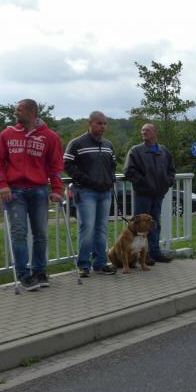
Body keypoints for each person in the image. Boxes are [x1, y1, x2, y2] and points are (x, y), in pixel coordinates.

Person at [0, 99, 64, 291]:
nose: (15, 113)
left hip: (39, 190)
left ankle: (40, 271)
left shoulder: (50, 137)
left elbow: (56, 166)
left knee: (41, 233)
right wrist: (2, 184)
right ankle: (24, 275)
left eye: (19, 110)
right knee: (19, 233)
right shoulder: (6, 134)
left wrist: (57, 190)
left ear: (32, 112)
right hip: (14, 191)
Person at [64, 111, 117, 277]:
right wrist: (85, 180)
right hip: (85, 192)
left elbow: (113, 164)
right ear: (90, 123)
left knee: (102, 229)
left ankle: (100, 263)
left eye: (105, 123)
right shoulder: (77, 143)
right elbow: (67, 164)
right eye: (99, 123)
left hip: (105, 192)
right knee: (87, 228)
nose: (103, 126)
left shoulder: (108, 144)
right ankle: (83, 265)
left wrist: (110, 179)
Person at [123, 122, 176, 265]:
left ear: (155, 132)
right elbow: (128, 170)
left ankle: (155, 252)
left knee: (154, 223)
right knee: (139, 226)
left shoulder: (164, 151)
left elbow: (171, 169)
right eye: (142, 130)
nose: (143, 132)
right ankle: (141, 256)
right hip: (143, 194)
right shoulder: (135, 151)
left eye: (147, 130)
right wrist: (143, 182)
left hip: (158, 194)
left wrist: (168, 181)